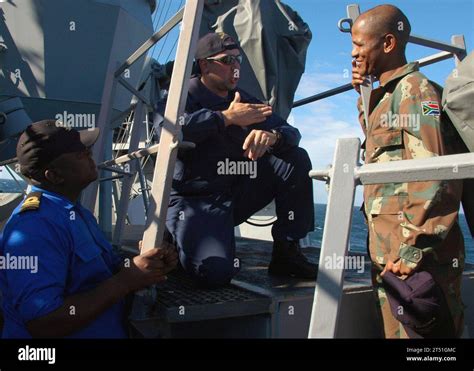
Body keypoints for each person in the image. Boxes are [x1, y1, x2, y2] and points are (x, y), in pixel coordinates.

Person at [155, 32, 316, 287]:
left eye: (238, 60)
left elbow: (292, 133)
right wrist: (224, 118)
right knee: (215, 273)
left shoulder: (244, 100)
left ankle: (287, 250)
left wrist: (272, 136)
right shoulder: (179, 97)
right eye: (227, 60)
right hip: (195, 201)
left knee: (294, 158)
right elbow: (165, 132)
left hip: (235, 191)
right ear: (205, 64)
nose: (236, 67)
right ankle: (174, 236)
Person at [0, 120, 178, 338]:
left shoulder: (72, 212)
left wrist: (143, 263)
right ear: (54, 175)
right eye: (79, 153)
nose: (89, 153)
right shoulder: (35, 227)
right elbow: (43, 322)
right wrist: (127, 280)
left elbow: (101, 273)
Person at [351, 5, 465, 338]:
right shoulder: (387, 96)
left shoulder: (415, 91)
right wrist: (363, 94)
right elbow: (378, 141)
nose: (354, 54)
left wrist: (413, 248)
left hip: (415, 259)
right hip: (391, 255)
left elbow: (437, 173)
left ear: (387, 43)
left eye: (360, 45)